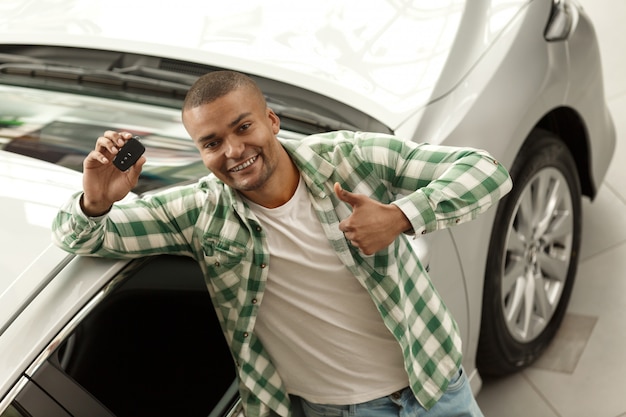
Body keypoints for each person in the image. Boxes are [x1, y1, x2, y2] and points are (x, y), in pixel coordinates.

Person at [52, 70, 512, 417]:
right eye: (211, 143)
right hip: (336, 411)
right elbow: (80, 235)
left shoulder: (350, 159)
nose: (233, 150)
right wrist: (97, 200)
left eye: (243, 127)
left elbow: (485, 169)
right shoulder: (199, 213)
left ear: (271, 121)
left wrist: (401, 216)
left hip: (435, 384)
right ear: (200, 153)